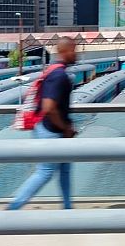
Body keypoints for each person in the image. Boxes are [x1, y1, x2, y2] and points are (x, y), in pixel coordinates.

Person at [8, 37, 78, 210]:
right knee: (45, 172)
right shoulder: (59, 75)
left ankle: (68, 209)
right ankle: (12, 209)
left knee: (65, 170)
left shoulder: (54, 71)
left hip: (54, 130)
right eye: (74, 50)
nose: (76, 54)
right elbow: (49, 107)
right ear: (64, 51)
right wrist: (65, 128)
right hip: (51, 131)